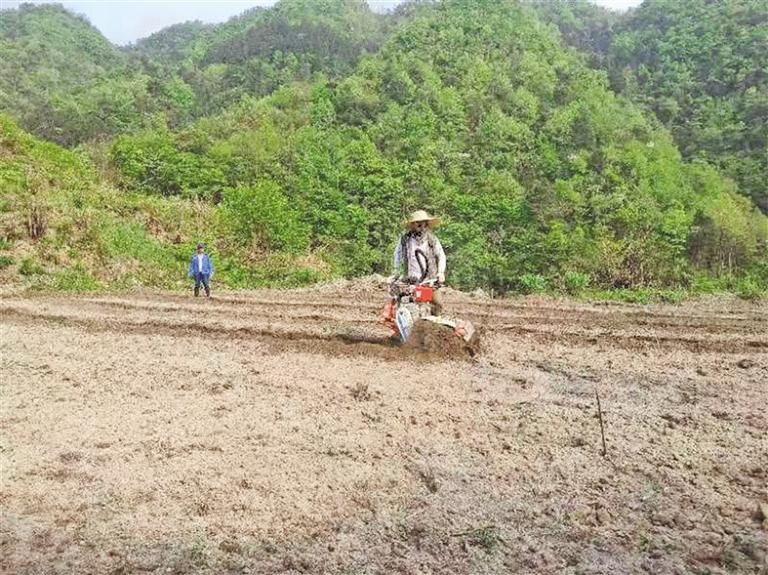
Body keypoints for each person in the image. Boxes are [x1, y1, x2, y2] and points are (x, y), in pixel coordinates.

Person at [392, 210, 447, 315]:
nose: (422, 225)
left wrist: (441, 272)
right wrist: (396, 272)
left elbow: (441, 255)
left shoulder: (432, 239)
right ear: (413, 224)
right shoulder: (405, 240)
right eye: (418, 223)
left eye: (424, 222)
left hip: (430, 279)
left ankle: (433, 327)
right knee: (405, 307)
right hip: (411, 280)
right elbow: (397, 256)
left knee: (438, 304)